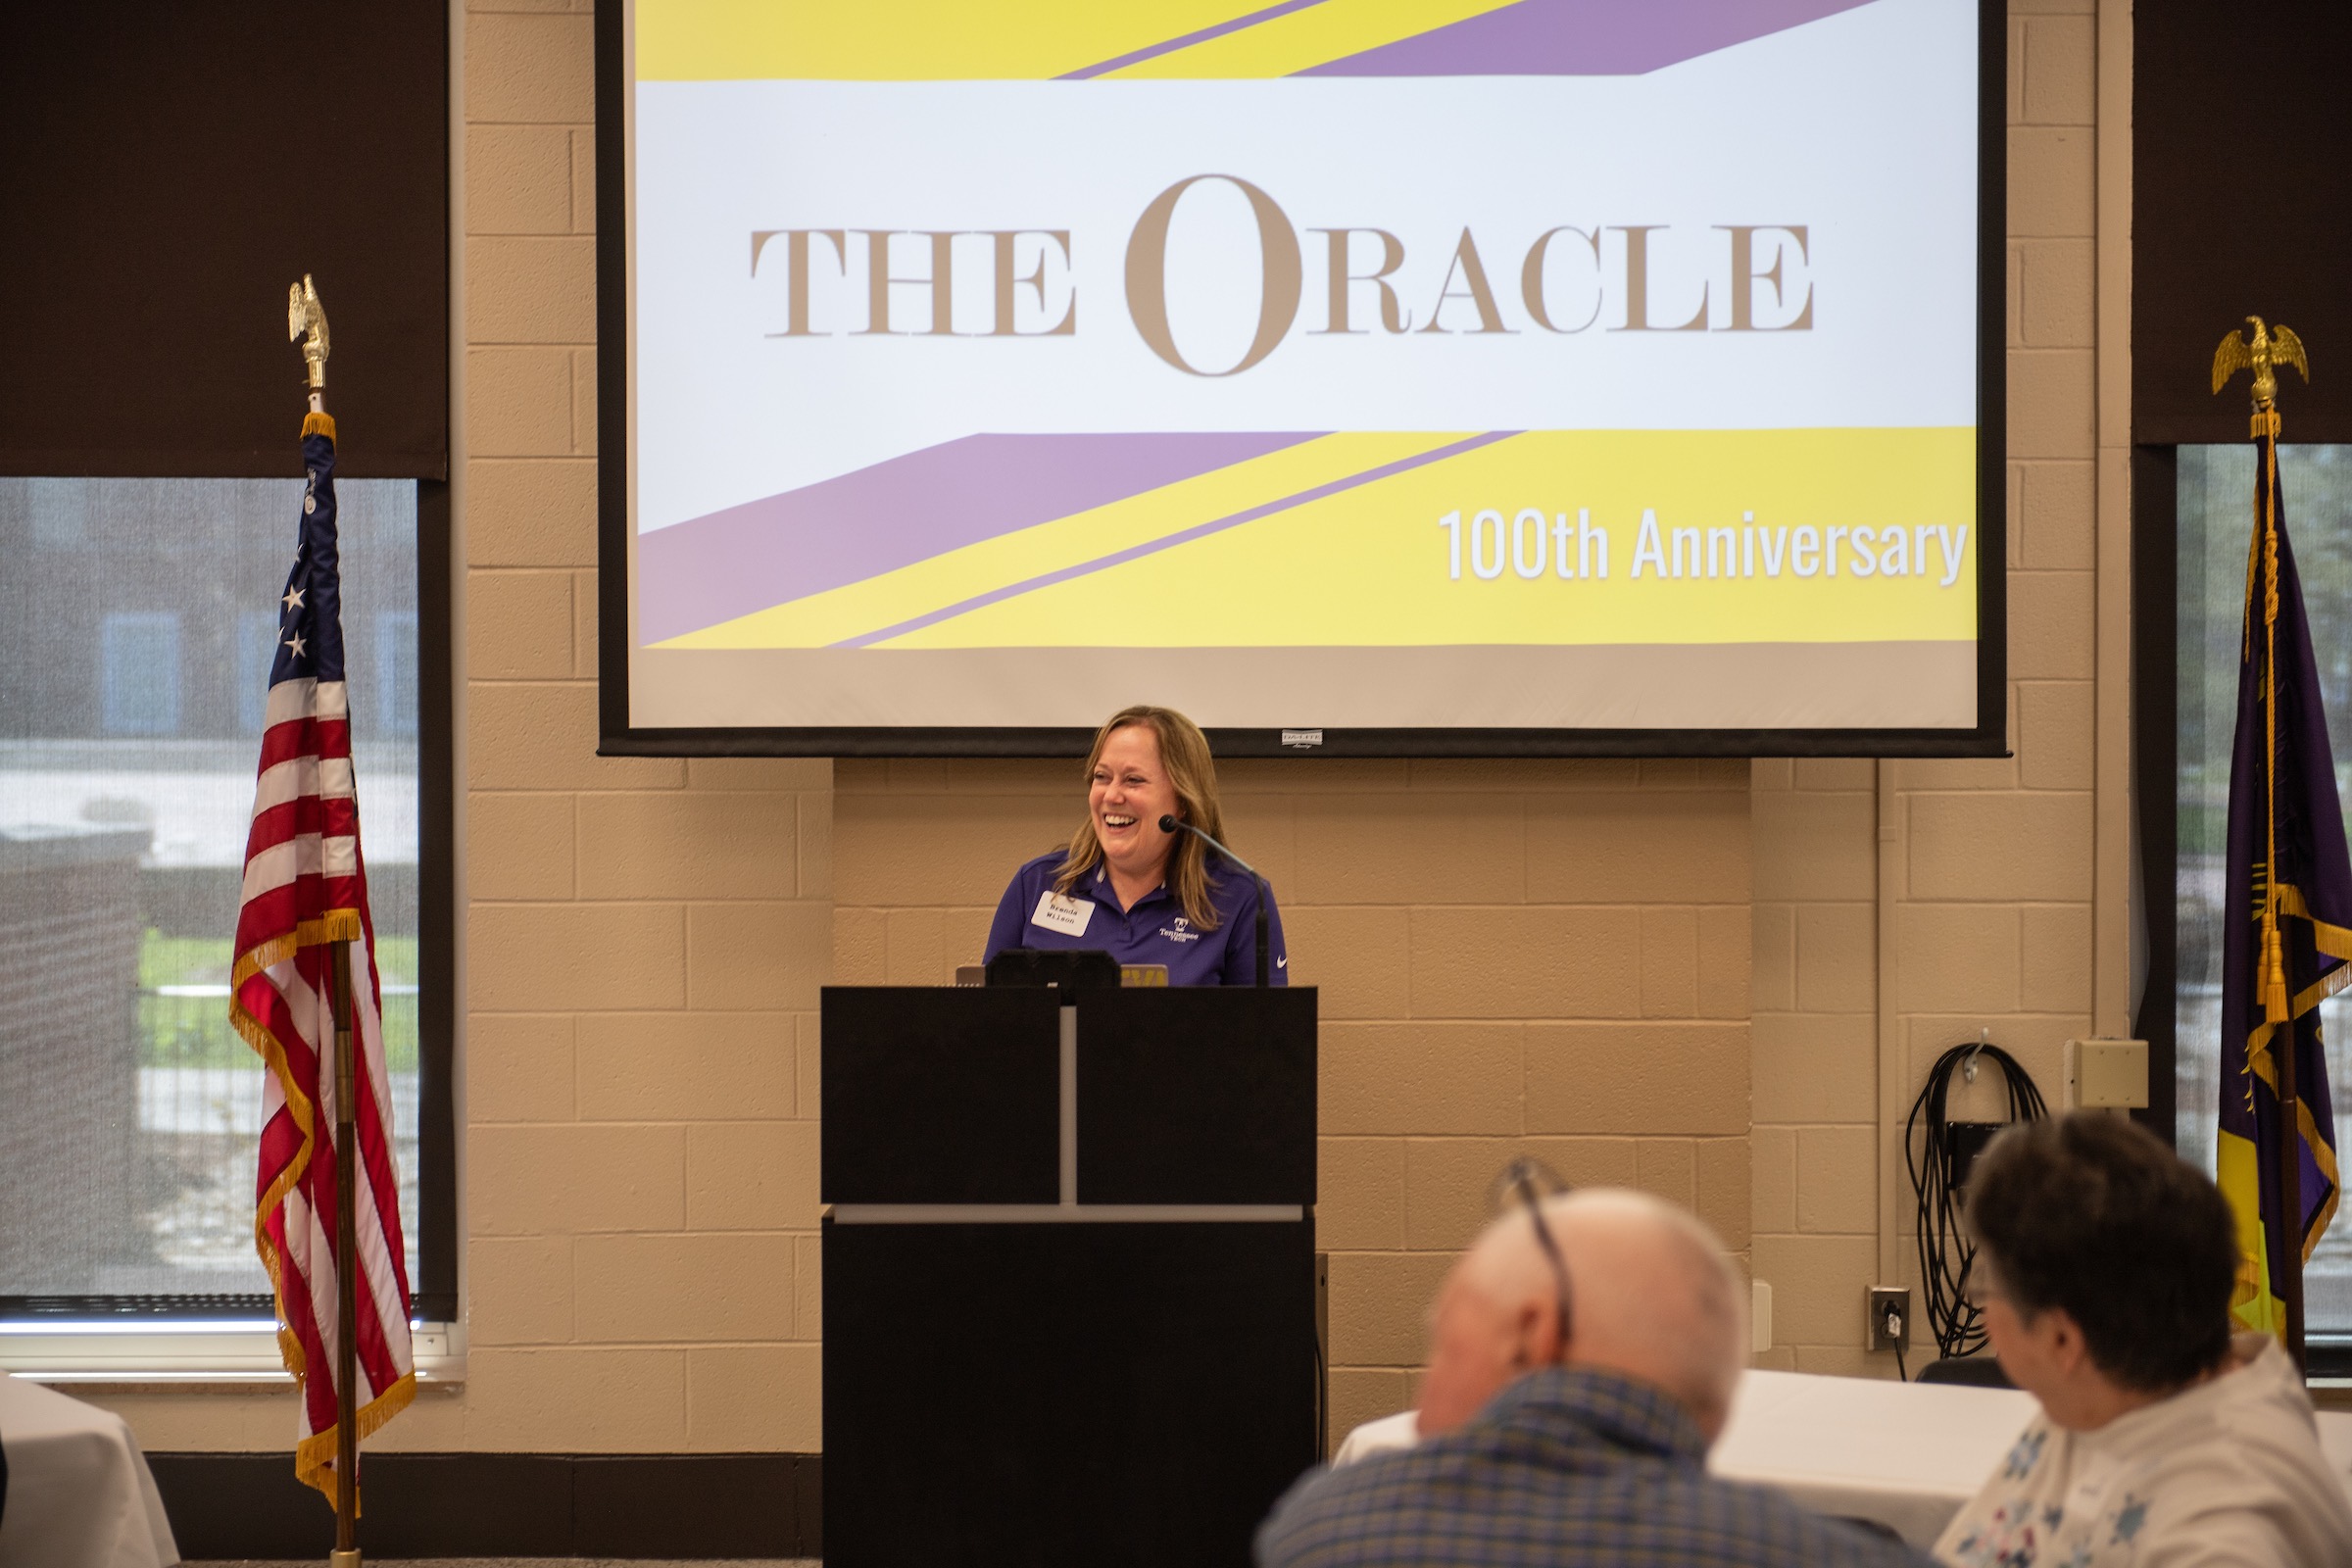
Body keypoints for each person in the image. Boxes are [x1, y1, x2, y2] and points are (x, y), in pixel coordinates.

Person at [1256, 1187, 1930, 1568]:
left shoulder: (1319, 1531)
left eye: (1445, 1345)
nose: (1423, 1397)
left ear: (1534, 1334)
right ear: (1717, 1408)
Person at [1935, 1112, 2352, 1567]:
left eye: (1987, 1285)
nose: (1979, 1304)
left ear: (2062, 1341)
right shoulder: (2107, 1390)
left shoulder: (2221, 1540)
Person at [983, 704, 1286, 985]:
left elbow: (1268, 1035)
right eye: (1102, 777)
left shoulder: (1242, 898)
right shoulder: (1036, 884)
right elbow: (986, 1020)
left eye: (1133, 780)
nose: (1112, 796)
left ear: (1183, 800)